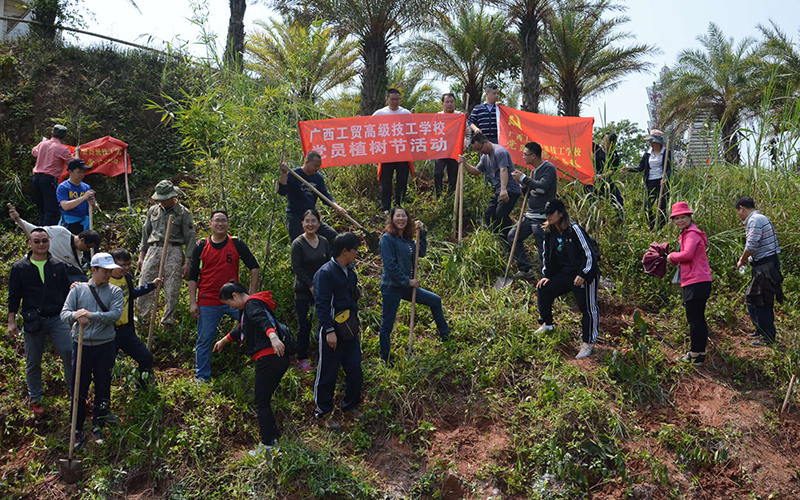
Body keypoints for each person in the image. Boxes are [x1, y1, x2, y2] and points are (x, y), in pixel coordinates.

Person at [213, 281, 289, 456]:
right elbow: (242, 328)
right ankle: (274, 438)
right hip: (277, 359)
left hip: (268, 357)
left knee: (261, 402)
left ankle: (268, 446)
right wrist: (224, 340)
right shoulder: (253, 305)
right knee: (264, 400)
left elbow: (261, 320)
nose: (230, 307)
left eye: (229, 303)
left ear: (235, 296)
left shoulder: (251, 304)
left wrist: (273, 337)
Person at [7, 228, 74, 416]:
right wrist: (11, 321)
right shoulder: (20, 268)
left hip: (57, 317)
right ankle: (36, 397)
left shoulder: (58, 265)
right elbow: (14, 297)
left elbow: (67, 293)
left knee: (69, 351)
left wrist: (71, 316)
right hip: (33, 320)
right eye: (37, 241)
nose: (41, 244)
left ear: (49, 242)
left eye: (44, 241)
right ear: (30, 243)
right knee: (33, 360)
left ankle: (75, 393)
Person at [61, 252, 124, 447]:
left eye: (110, 271)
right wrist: (76, 315)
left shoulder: (114, 291)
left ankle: (99, 423)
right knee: (79, 387)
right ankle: (77, 428)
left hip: (104, 345)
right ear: (93, 270)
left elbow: (115, 315)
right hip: (81, 346)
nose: (108, 274)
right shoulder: (78, 290)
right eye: (104, 271)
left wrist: (91, 315)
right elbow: (64, 313)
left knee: (103, 386)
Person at [188, 210, 260, 382]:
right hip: (208, 300)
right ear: (210, 223)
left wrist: (251, 295)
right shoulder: (201, 245)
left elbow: (254, 266)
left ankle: (261, 366)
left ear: (228, 224)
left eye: (224, 221)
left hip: (234, 300)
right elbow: (192, 276)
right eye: (217, 220)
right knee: (205, 339)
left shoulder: (236, 243)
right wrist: (193, 302)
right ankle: (202, 376)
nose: (220, 224)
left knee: (255, 326)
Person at [378, 207, 449, 364]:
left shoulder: (408, 240)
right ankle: (385, 358)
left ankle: (446, 338)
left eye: (404, 216)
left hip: (406, 287)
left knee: (435, 300)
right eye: (398, 216)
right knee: (387, 324)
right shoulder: (387, 239)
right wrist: (407, 281)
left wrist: (421, 233)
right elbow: (390, 265)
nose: (401, 219)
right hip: (392, 287)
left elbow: (421, 253)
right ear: (392, 219)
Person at [534, 200, 600, 360]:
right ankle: (547, 324)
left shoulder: (574, 230)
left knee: (587, 307)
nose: (548, 216)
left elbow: (589, 254)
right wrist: (546, 275)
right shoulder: (549, 232)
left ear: (561, 213)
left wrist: (583, 274)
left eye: (552, 213)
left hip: (585, 274)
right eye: (547, 214)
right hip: (564, 274)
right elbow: (546, 256)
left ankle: (588, 343)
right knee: (544, 289)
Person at [312, 232, 363, 430]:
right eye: (355, 250)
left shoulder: (350, 272)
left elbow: (353, 302)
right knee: (328, 372)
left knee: (355, 368)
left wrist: (356, 326)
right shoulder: (325, 273)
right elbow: (322, 304)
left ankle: (350, 406)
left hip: (349, 329)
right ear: (345, 251)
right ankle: (322, 413)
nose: (357, 253)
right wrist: (329, 330)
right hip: (332, 331)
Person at [136, 180, 196, 329]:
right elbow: (146, 233)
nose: (161, 202)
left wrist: (188, 261)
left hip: (173, 250)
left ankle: (167, 323)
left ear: (172, 197)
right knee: (145, 281)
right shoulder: (153, 211)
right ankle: (141, 320)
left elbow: (190, 237)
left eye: (164, 199)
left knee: (172, 287)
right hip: (154, 249)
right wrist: (141, 255)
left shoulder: (183, 213)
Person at [666, 202, 712, 364]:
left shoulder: (692, 233)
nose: (679, 221)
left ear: (689, 217)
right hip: (696, 280)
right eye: (676, 218)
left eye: (683, 217)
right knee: (697, 318)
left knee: (694, 318)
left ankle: (695, 354)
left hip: (696, 281)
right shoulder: (687, 233)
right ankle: (699, 353)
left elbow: (687, 255)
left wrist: (671, 256)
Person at [109, 249, 161, 389]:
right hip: (109, 332)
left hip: (126, 330)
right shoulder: (105, 281)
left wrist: (151, 286)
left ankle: (142, 389)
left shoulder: (126, 278)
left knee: (146, 358)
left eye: (128, 264)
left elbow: (132, 294)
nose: (126, 268)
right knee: (107, 368)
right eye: (122, 265)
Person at [8, 204, 100, 282]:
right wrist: (17, 219)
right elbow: (35, 230)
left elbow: (77, 272)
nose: (87, 250)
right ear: (82, 240)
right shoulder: (60, 232)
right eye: (88, 247)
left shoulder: (79, 254)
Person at [735, 196, 783, 347]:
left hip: (765, 265)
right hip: (764, 264)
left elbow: (751, 245)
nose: (739, 215)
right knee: (753, 298)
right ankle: (761, 329)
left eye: (738, 211)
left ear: (741, 208)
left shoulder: (755, 220)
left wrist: (741, 260)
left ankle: (768, 337)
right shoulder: (759, 218)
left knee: (762, 300)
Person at [290, 209, 332, 372]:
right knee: (305, 326)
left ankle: (324, 355)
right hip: (304, 291)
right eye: (307, 221)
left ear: (319, 223)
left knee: (325, 323)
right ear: (302, 223)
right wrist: (311, 286)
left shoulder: (323, 241)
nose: (310, 224)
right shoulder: (298, 243)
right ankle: (302, 358)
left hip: (323, 290)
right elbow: (297, 268)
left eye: (313, 221)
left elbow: (329, 264)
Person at [509, 142, 558, 280]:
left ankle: (547, 277)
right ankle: (525, 269)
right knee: (513, 236)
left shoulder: (548, 168)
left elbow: (542, 188)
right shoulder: (533, 171)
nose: (523, 157)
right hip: (530, 215)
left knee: (542, 247)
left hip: (542, 217)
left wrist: (524, 178)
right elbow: (530, 194)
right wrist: (522, 183)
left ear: (533, 156)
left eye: (525, 154)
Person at [459, 133, 521, 239]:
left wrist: (503, 189)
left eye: (480, 148)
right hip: (498, 190)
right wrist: (465, 164)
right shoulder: (484, 157)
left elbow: (504, 169)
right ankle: (498, 238)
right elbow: (476, 171)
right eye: (477, 150)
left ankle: (510, 239)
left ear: (486, 142)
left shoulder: (499, 152)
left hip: (510, 189)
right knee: (489, 214)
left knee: (500, 214)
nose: (480, 152)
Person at [278, 150, 345, 243]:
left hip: (311, 217)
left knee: (333, 236)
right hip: (295, 217)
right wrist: (284, 173)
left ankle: (329, 256)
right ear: (307, 162)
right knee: (298, 243)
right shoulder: (293, 174)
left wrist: (337, 206)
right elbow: (282, 191)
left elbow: (325, 196)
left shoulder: (318, 177)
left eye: (319, 166)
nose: (318, 168)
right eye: (315, 166)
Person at [373, 88, 412, 213]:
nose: (395, 102)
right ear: (387, 100)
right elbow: (368, 128)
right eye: (392, 99)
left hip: (402, 153)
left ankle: (399, 206)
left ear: (400, 100)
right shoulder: (379, 114)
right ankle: (386, 207)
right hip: (386, 154)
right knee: (386, 182)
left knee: (402, 180)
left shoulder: (406, 113)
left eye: (397, 99)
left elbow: (414, 131)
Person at [31, 125, 74, 226]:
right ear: (65, 137)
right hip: (49, 180)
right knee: (51, 210)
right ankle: (48, 234)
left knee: (41, 209)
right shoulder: (62, 149)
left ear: (52, 134)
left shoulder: (42, 144)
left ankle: (40, 232)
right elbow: (72, 163)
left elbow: (34, 152)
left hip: (36, 178)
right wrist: (77, 155)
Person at [629, 129, 671, 229]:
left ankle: (662, 228)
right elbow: (640, 168)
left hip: (661, 182)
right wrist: (629, 169)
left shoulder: (666, 152)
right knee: (648, 206)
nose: (651, 143)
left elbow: (669, 168)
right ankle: (652, 227)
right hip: (650, 181)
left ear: (657, 142)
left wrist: (665, 179)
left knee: (662, 206)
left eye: (652, 141)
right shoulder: (647, 153)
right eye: (650, 141)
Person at [56, 159, 98, 235]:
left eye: (83, 172)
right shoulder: (63, 187)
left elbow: (95, 208)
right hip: (69, 223)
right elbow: (65, 206)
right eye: (79, 172)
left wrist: (93, 204)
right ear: (70, 172)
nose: (82, 175)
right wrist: (83, 198)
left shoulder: (86, 187)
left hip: (84, 222)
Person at [434, 93, 461, 197]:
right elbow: (431, 133)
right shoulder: (437, 116)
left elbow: (467, 133)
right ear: (442, 104)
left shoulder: (460, 116)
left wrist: (464, 144)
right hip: (440, 150)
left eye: (451, 102)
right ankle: (438, 196)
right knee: (438, 173)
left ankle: (451, 197)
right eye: (447, 102)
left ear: (455, 103)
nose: (449, 104)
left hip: (454, 151)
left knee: (453, 175)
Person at [597, 133, 626, 219]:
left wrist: (601, 176)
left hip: (605, 180)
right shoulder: (596, 149)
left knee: (617, 198)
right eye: (602, 140)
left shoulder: (614, 154)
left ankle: (620, 219)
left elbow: (612, 170)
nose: (603, 142)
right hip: (592, 180)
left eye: (606, 141)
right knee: (592, 198)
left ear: (611, 143)